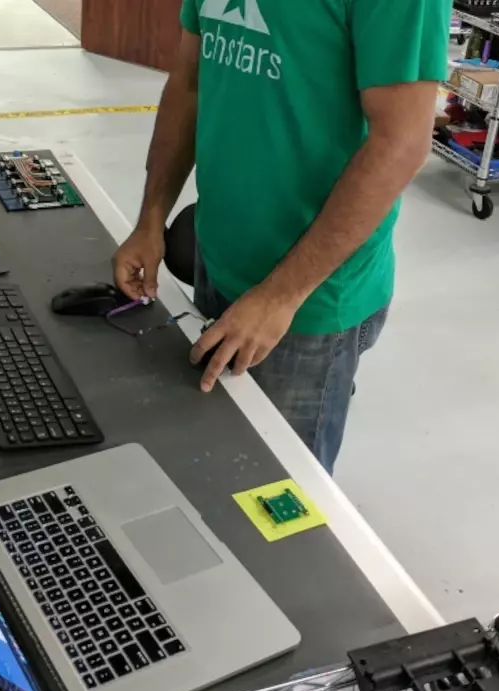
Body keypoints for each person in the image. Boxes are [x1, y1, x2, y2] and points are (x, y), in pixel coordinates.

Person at [112, 0, 450, 472]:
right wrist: (151, 218)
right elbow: (190, 81)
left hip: (306, 301)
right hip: (220, 253)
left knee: (275, 495)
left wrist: (279, 296)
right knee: (210, 452)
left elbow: (401, 143)